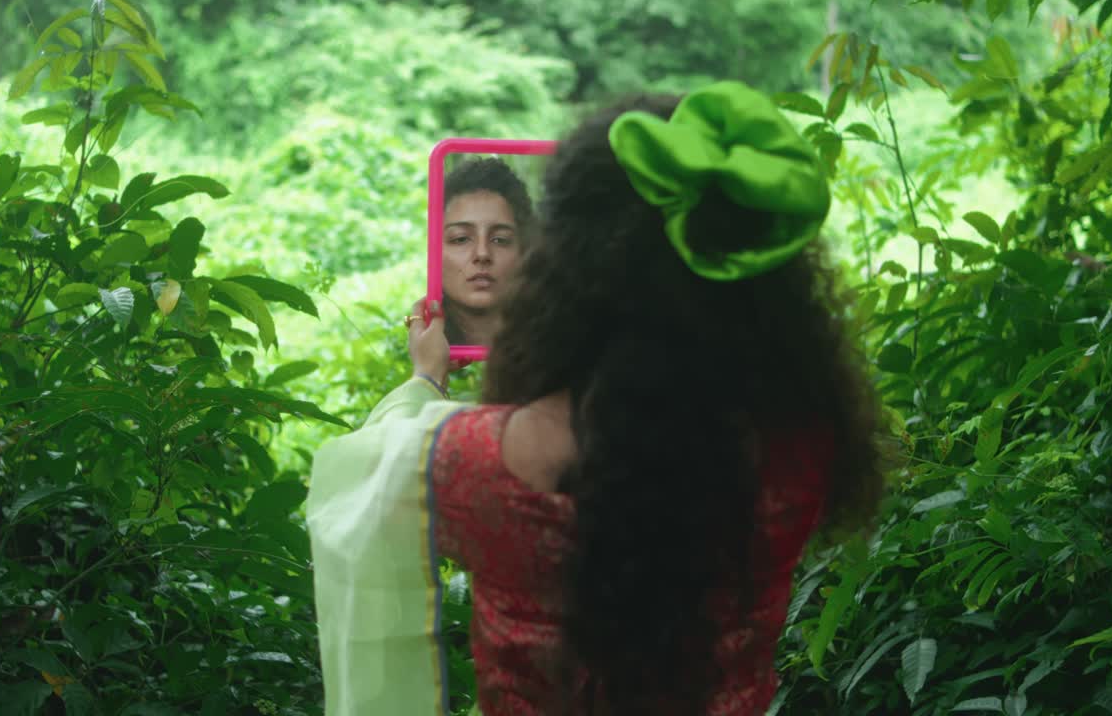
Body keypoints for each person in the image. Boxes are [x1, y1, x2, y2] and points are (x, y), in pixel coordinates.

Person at [306, 81, 890, 716]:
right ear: (762, 271)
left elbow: (361, 469)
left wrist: (426, 384)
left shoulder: (471, 463)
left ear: (555, 265)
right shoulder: (803, 447)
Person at [439, 157, 535, 347]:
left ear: (523, 251)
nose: (482, 254)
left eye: (500, 240)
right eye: (461, 239)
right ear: (433, 251)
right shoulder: (402, 354)